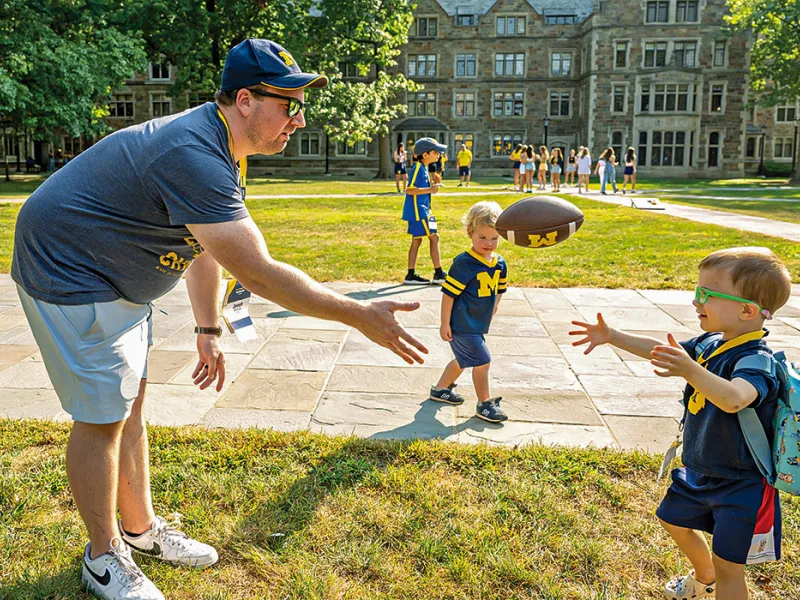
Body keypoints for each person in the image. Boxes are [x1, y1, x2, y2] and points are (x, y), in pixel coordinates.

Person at [12, 39, 428, 600]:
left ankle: (138, 530)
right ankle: (102, 556)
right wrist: (357, 314)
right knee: (102, 414)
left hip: (113, 273)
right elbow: (257, 272)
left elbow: (204, 246)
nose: (298, 119)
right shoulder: (194, 154)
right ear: (246, 100)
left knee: (129, 399)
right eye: (289, 103)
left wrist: (208, 330)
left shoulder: (227, 149)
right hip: (69, 269)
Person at [569, 247, 792, 600]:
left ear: (747, 310)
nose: (695, 300)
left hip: (741, 481)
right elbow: (661, 349)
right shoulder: (710, 344)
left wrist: (691, 369)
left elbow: (735, 398)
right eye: (696, 290)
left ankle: (715, 578)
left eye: (707, 294)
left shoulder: (756, 360)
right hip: (701, 468)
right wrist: (613, 335)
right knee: (671, 518)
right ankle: (704, 580)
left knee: (730, 567)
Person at [430, 201, 508, 423]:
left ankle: (440, 389)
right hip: (462, 324)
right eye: (482, 237)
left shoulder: (499, 263)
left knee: (464, 359)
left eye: (494, 238)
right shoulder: (464, 263)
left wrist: (494, 308)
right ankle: (485, 404)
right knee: (482, 361)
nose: (488, 243)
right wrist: (445, 324)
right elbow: (449, 294)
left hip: (478, 323)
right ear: (470, 233)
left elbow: (499, 289)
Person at [402, 137, 447, 285]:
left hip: (425, 211)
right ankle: (439, 272)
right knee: (434, 238)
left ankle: (411, 274)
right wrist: (430, 189)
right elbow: (409, 189)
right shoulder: (418, 168)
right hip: (419, 212)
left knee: (417, 240)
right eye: (436, 152)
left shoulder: (424, 168)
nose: (439, 154)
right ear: (425, 154)